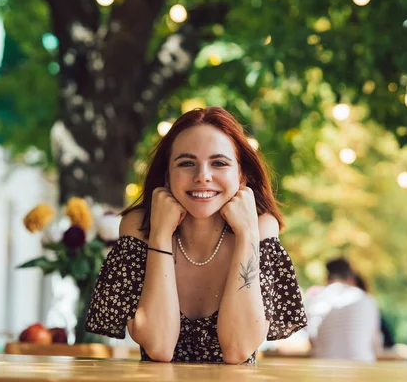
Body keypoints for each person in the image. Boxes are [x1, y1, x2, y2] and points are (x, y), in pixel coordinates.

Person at [85, 106, 307, 364]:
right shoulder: (138, 228)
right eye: (187, 163)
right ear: (167, 176)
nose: (202, 176)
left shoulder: (260, 228)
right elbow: (159, 346)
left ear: (242, 175)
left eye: (219, 163)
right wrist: (159, 235)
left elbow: (237, 349)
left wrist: (247, 235)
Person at [305, 258, 381, 362]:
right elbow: (375, 343)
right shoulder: (366, 299)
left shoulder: (317, 300)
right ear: (351, 279)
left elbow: (312, 340)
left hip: (324, 368)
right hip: (362, 367)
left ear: (326, 279)